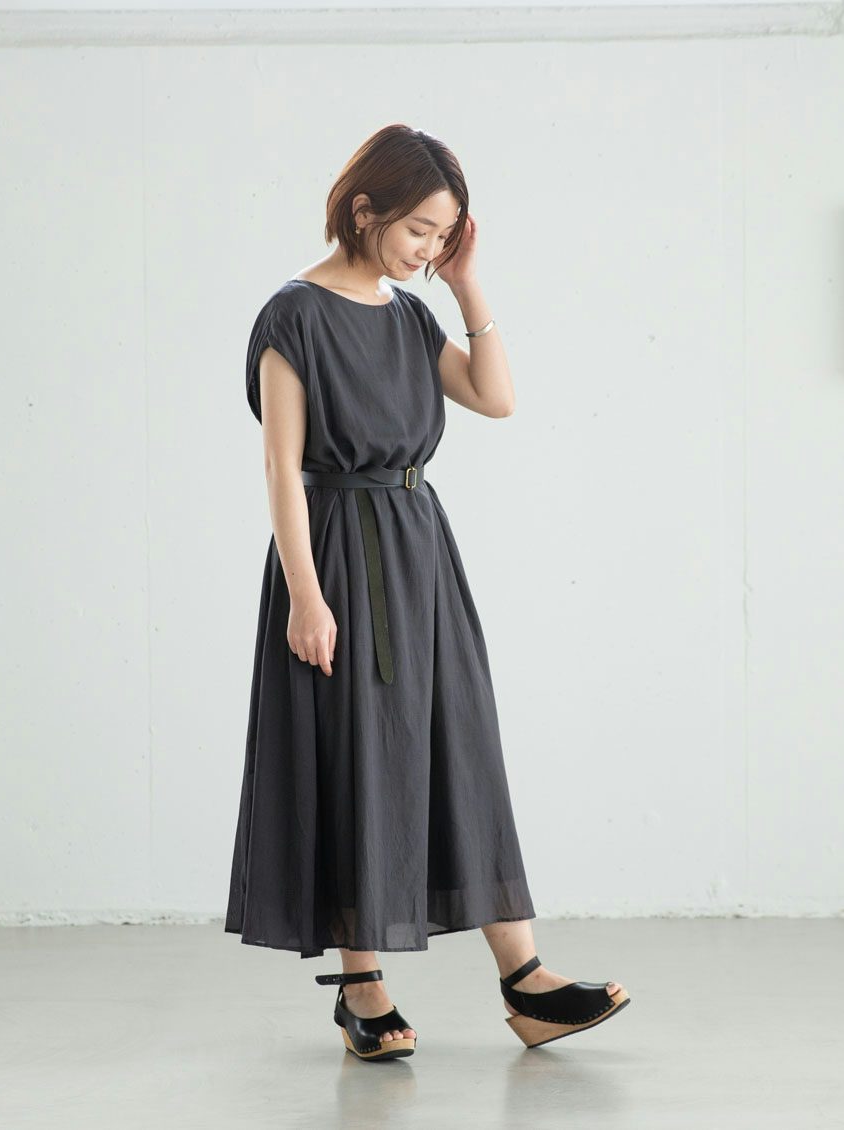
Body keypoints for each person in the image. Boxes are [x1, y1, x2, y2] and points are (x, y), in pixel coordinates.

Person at [224, 124, 629, 1059]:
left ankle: (526, 981)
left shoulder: (410, 316)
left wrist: (467, 286)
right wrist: (306, 596)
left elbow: (495, 397)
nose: (428, 249)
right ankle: (362, 987)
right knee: (358, 756)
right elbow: (282, 470)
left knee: (460, 745)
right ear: (363, 210)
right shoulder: (293, 316)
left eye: (444, 235)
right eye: (419, 231)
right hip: (337, 551)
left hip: (421, 550)